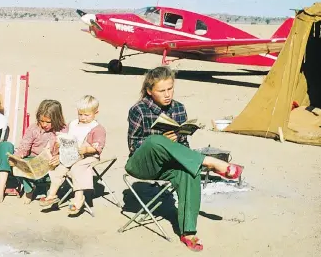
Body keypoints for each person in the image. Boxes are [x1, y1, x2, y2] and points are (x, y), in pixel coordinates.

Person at [125, 66, 244, 252]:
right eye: (161, 91)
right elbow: (134, 146)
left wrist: (178, 140)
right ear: (149, 91)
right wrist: (162, 141)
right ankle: (210, 162)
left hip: (167, 164)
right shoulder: (138, 110)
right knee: (155, 140)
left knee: (189, 171)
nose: (167, 94)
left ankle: (188, 231)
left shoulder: (179, 108)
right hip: (141, 163)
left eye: (170, 89)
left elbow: (184, 148)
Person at [41, 95, 107, 216]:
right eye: (80, 114)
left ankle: (79, 198)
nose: (83, 118)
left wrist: (86, 149)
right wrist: (60, 141)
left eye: (87, 115)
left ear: (95, 113)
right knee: (59, 168)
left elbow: (98, 147)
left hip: (88, 156)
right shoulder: (72, 124)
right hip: (70, 154)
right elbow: (64, 136)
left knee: (77, 168)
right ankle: (52, 194)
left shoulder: (97, 128)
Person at [14, 99, 67, 204]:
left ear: (57, 119)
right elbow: (24, 146)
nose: (44, 124)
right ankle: (29, 189)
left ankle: (50, 188)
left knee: (61, 168)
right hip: (34, 159)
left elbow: (68, 149)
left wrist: (60, 157)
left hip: (52, 162)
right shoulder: (34, 129)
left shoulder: (63, 130)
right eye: (41, 121)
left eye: (48, 122)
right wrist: (17, 156)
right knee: (16, 166)